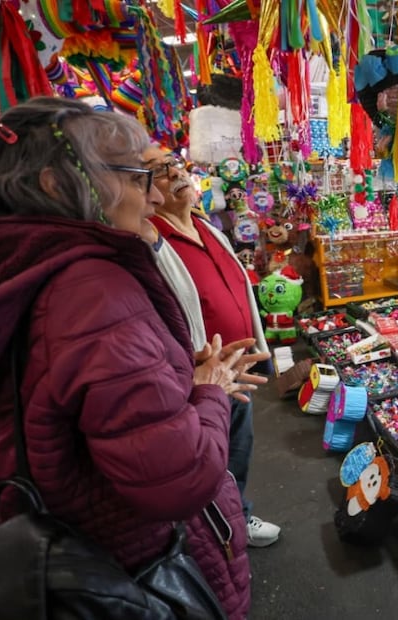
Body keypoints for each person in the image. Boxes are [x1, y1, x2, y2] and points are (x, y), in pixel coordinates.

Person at [0, 97, 261, 618]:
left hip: (60, 557)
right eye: (139, 177)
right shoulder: (90, 291)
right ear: (56, 184)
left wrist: (173, 377)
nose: (156, 195)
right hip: (129, 570)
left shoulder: (3, 269)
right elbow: (178, 478)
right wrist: (208, 391)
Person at [142, 145, 281, 548]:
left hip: (235, 368)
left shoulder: (206, 228)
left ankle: (237, 517)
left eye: (175, 164)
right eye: (161, 170)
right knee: (206, 459)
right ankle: (216, 535)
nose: (176, 173)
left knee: (236, 451)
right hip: (199, 376)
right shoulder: (152, 241)